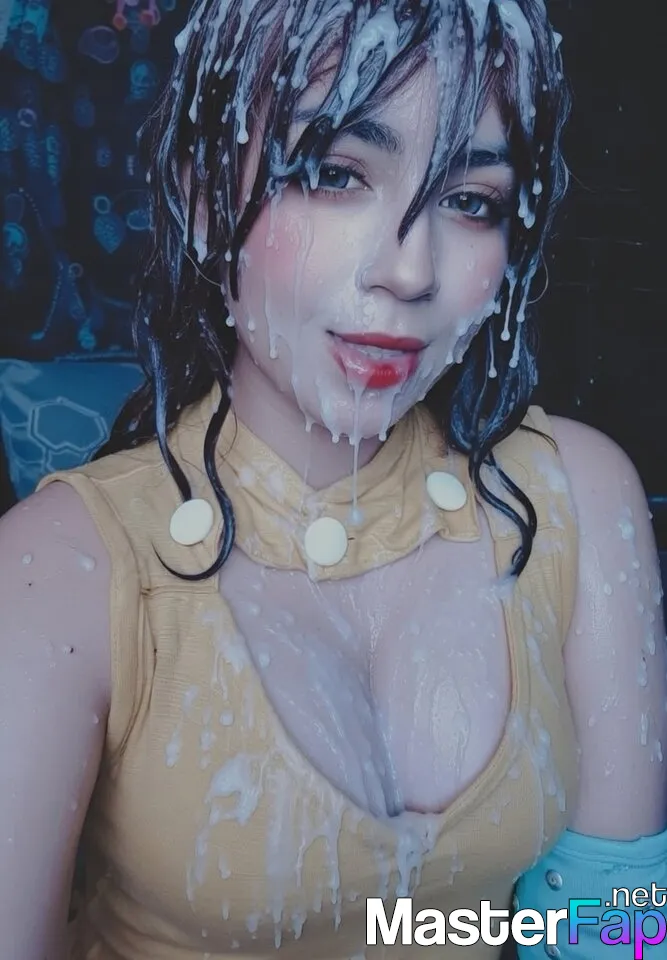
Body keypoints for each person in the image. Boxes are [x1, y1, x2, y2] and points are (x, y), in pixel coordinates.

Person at [1, 1, 666, 957]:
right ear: (202, 197)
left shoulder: (579, 497)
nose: (408, 269)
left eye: (470, 200)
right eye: (334, 174)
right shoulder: (54, 575)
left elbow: (612, 929)